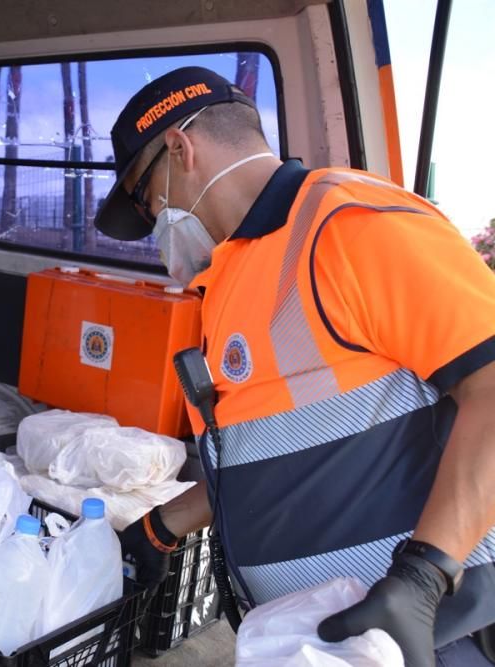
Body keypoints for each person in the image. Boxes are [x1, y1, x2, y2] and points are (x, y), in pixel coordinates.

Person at [95, 66, 495, 667]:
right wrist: (164, 525)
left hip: (430, 634)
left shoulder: (351, 224)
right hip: (318, 642)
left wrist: (425, 574)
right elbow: (275, 454)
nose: (157, 225)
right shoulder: (230, 278)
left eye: (149, 201)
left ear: (180, 150)